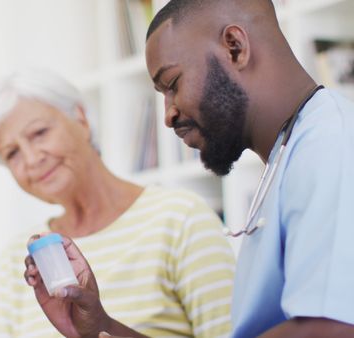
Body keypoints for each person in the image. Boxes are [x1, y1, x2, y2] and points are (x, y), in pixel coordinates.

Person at [23, 0, 354, 337]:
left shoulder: (332, 144)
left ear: (235, 48)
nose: (168, 115)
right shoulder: (291, 156)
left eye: (173, 84)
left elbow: (333, 329)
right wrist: (99, 327)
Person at [0, 69, 235, 338]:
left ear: (82, 119)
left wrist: (100, 327)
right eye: (12, 153)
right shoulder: (16, 259)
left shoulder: (181, 218)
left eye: (39, 133)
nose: (30, 159)